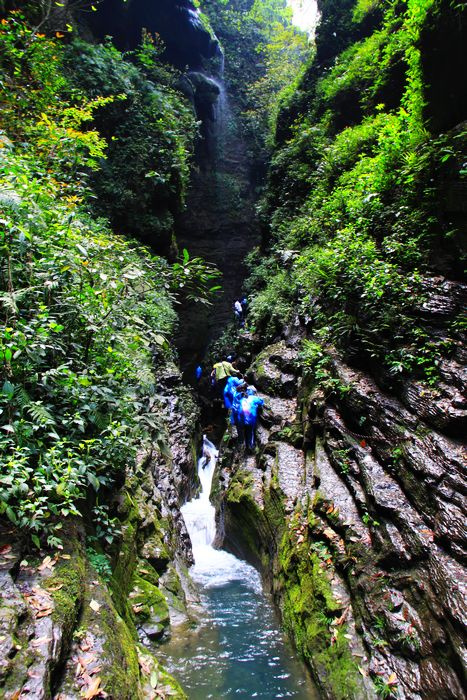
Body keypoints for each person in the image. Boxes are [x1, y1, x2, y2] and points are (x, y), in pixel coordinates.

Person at [241, 386, 264, 450]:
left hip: (242, 419)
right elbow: (262, 402)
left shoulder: (243, 399)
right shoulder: (254, 398)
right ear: (253, 392)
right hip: (251, 418)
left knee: (245, 432)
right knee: (251, 432)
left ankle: (245, 446)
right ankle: (251, 446)